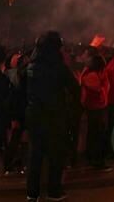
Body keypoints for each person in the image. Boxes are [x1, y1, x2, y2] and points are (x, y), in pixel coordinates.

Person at [25, 31, 80, 201]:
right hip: (55, 115)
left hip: (34, 114)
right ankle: (53, 190)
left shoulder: (30, 67)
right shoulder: (59, 67)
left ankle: (32, 193)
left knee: (35, 154)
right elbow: (75, 89)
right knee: (56, 154)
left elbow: (22, 91)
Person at [79, 50, 112, 170]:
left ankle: (92, 157)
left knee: (94, 132)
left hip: (95, 106)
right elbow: (99, 89)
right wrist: (104, 83)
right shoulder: (91, 75)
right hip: (95, 107)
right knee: (97, 133)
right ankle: (96, 159)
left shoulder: (92, 73)